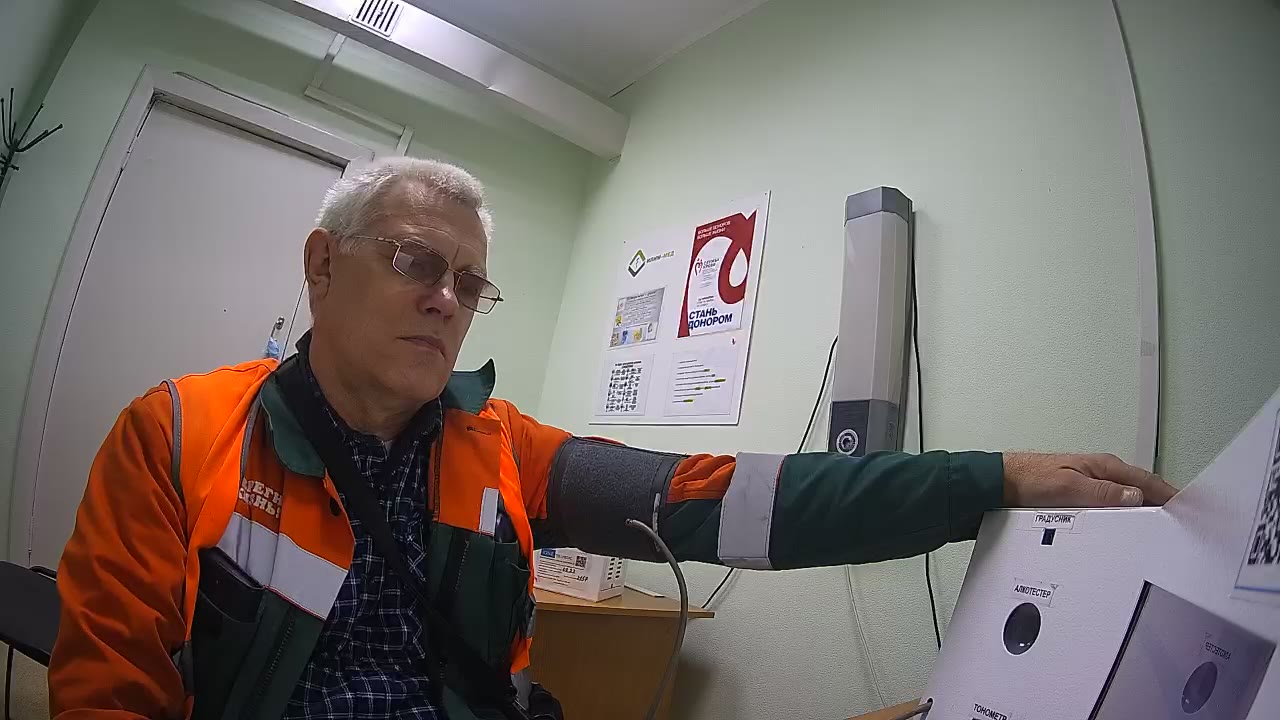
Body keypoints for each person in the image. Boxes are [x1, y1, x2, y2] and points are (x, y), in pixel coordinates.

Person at [49, 157, 1176, 720]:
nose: (445, 299)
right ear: (320, 264)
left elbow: (740, 502)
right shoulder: (179, 432)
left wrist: (992, 480)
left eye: (469, 283)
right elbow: (108, 694)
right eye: (413, 261)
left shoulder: (501, 450)